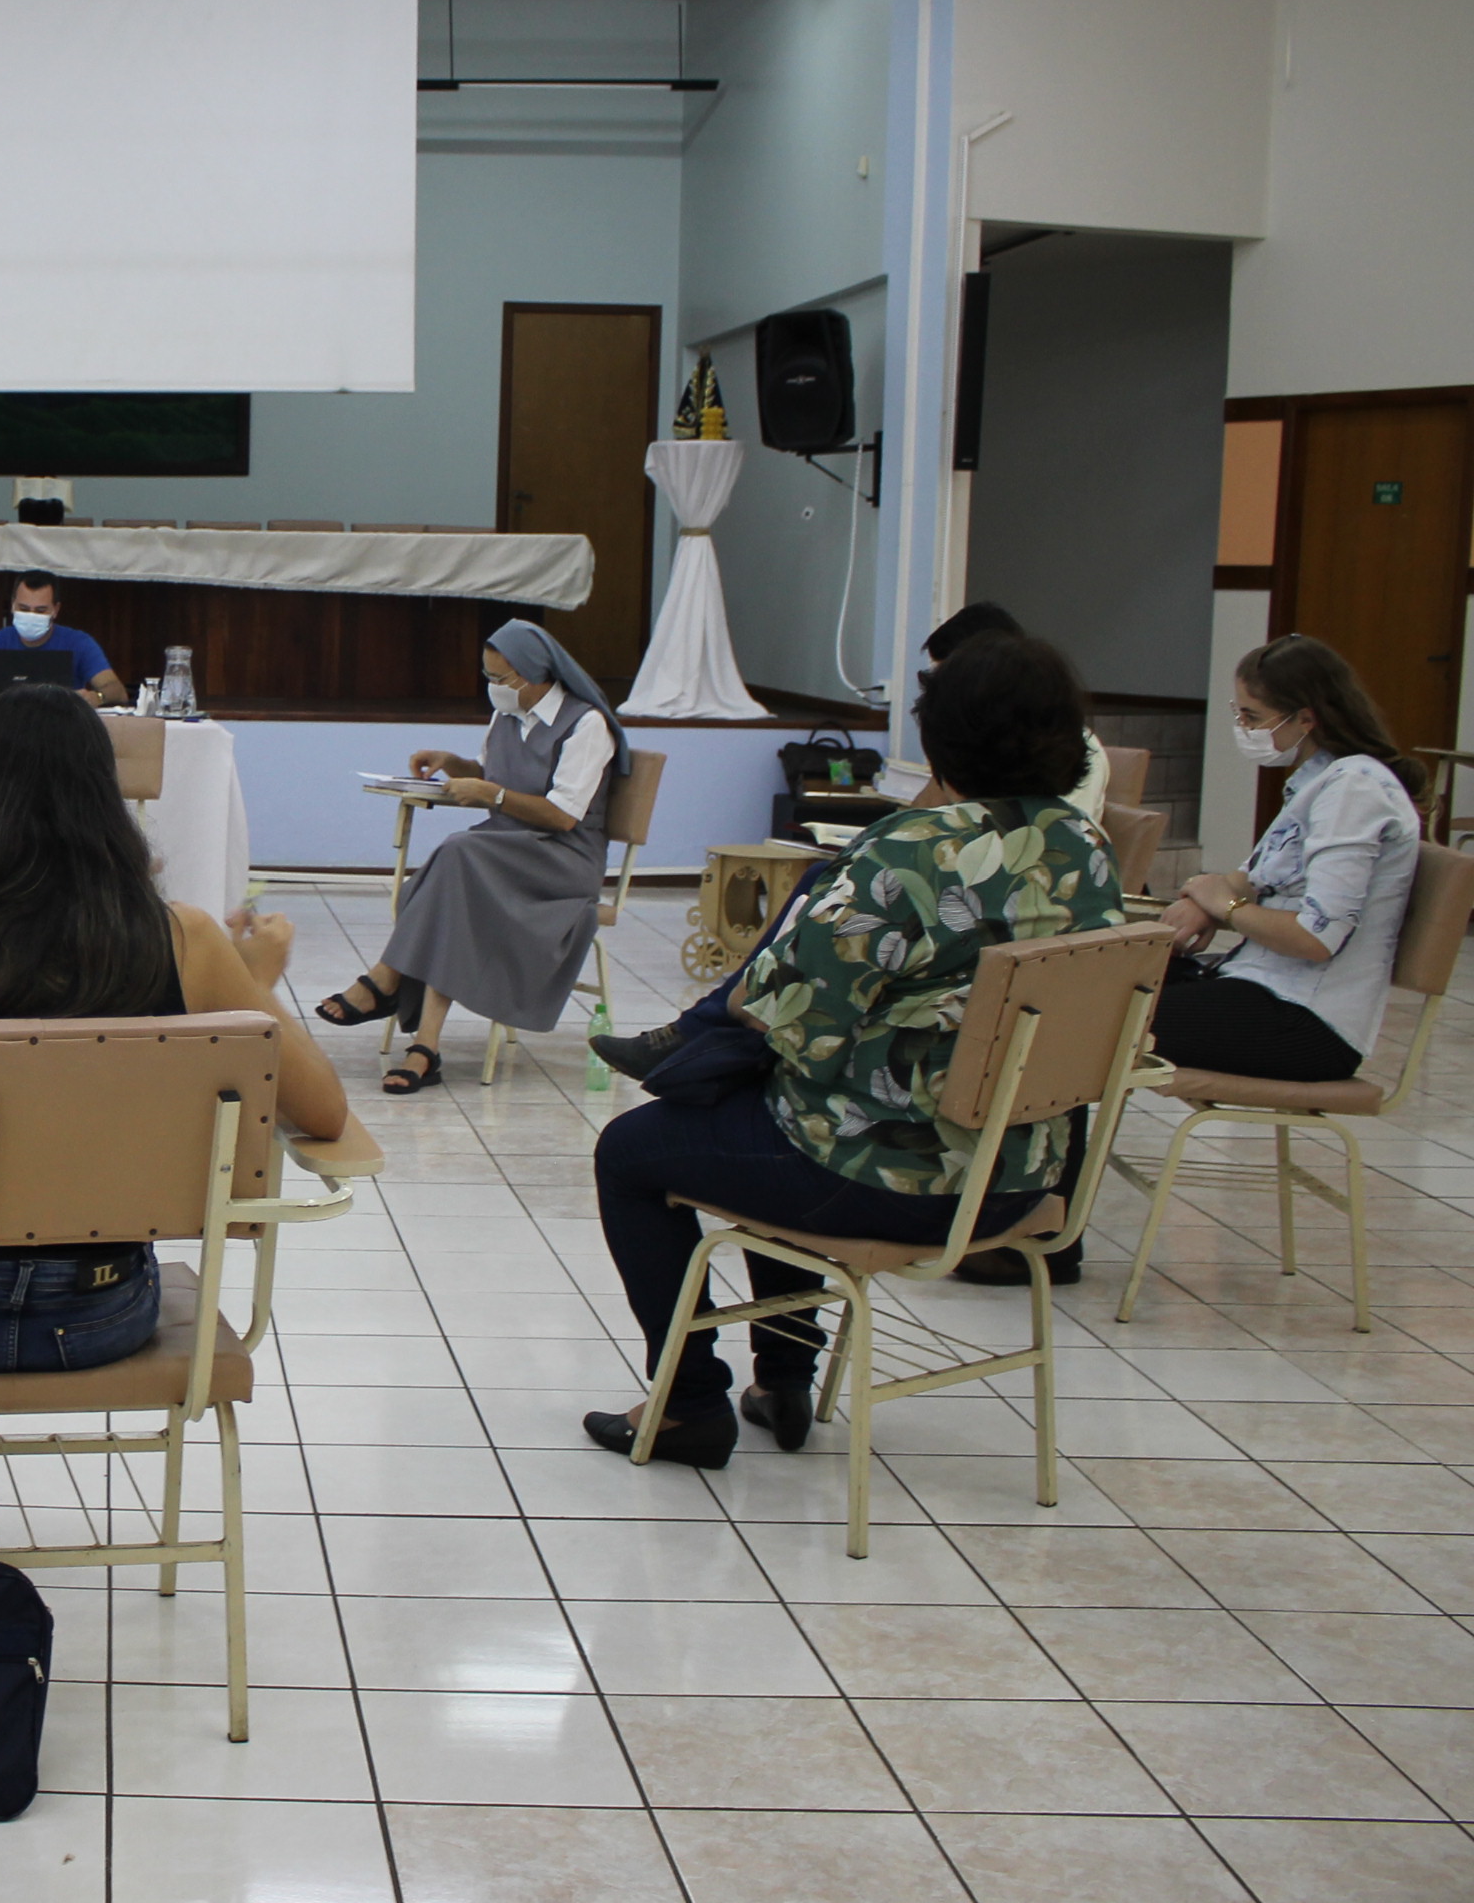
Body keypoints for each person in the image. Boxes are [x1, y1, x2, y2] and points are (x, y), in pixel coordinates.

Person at [0, 683, 348, 1549]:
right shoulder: (187, 940)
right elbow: (326, 1112)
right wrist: (257, 988)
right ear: (105, 801)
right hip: (101, 1316)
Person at [583, 634, 1122, 1469]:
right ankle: (781, 1382)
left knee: (637, 1148)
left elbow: (791, 1022)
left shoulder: (908, 851)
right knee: (769, 1116)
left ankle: (689, 1403)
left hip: (891, 1180)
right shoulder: (1085, 847)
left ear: (941, 740)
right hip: (1019, 1177)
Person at [591, 600, 1110, 1089]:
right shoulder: (1086, 841)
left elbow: (808, 1030)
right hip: (1005, 1069)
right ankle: (707, 1028)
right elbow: (931, 814)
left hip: (927, 1054)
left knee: (643, 1134)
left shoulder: (1022, 806)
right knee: (827, 881)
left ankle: (715, 1029)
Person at [314, 619, 628, 1093]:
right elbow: (494, 773)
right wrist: (454, 764)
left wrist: (492, 796)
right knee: (455, 885)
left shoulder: (586, 725)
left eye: (501, 678)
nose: (493, 687)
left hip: (561, 860)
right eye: (488, 676)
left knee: (458, 855)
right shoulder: (508, 715)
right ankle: (425, 1046)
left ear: (534, 674)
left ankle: (385, 979)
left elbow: (564, 816)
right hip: (503, 851)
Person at [1157, 634, 1422, 1084]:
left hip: (1307, 1020)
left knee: (1101, 1017)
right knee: (1100, 986)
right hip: (1260, 985)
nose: (1243, 727)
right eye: (1239, 713)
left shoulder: (1355, 790)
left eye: (1253, 717)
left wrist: (1227, 907)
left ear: (1306, 718)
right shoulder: (1320, 778)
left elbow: (1316, 937)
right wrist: (1203, 900)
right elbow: (1257, 876)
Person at [0, 572, 126, 707]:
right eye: (24, 609)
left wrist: (97, 697)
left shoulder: (79, 642)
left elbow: (117, 690)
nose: (32, 615)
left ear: (55, 610)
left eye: (40, 610)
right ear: (13, 606)